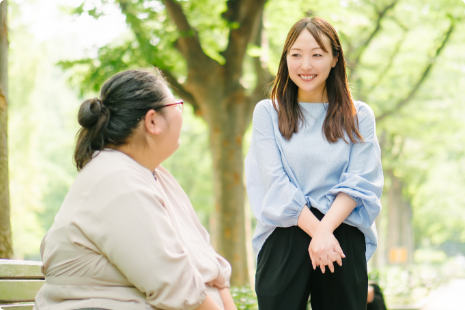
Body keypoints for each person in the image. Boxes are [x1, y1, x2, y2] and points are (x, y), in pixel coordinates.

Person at [34, 69, 236, 310]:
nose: (181, 114)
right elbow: (177, 287)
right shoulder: (115, 180)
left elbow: (211, 268)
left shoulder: (153, 176)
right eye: (177, 106)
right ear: (152, 121)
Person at [245, 17, 384, 310]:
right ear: (285, 59)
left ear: (335, 58)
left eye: (317, 54)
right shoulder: (267, 113)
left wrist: (326, 231)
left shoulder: (359, 115)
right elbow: (275, 181)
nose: (305, 65)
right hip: (285, 232)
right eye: (296, 55)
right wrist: (317, 230)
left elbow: (359, 181)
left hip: (341, 232)